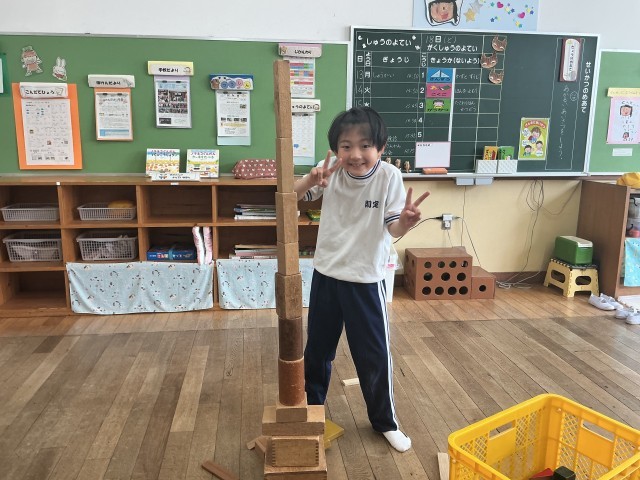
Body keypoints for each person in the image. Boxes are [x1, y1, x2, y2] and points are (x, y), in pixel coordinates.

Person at [294, 107, 430, 453]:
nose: (355, 154)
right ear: (336, 149)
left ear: (380, 147)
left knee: (374, 356)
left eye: (365, 145)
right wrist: (311, 180)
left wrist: (407, 222)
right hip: (326, 274)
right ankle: (312, 411)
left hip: (366, 280)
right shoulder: (330, 171)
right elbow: (289, 197)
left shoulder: (389, 177)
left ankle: (385, 422)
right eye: (346, 146)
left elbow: (393, 227)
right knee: (317, 352)